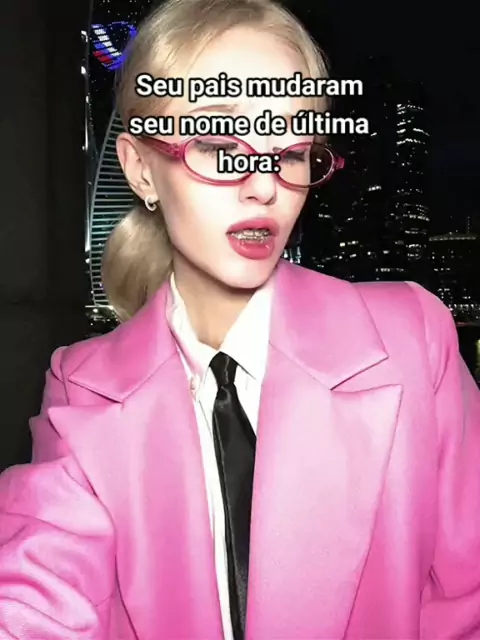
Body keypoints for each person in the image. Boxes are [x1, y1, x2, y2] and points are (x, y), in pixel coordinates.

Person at [1, 0, 480, 638]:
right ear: (141, 169)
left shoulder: (412, 338)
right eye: (220, 144)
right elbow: (39, 590)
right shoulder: (81, 382)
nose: (263, 186)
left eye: (289, 149)